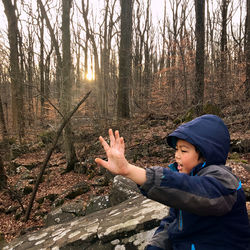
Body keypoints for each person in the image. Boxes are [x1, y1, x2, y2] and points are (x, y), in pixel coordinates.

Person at [95, 114, 250, 250]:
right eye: (176, 149)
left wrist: (130, 171)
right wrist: (154, 246)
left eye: (183, 150)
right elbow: (171, 223)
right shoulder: (189, 180)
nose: (176, 156)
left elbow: (196, 193)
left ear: (205, 155)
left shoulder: (224, 181)